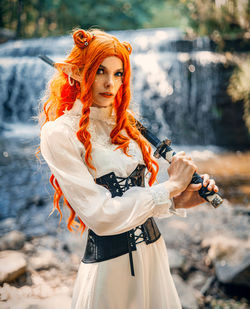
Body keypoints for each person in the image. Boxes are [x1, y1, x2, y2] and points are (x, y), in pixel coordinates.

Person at [39, 28, 218, 309]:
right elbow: (101, 217)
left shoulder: (126, 124)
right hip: (110, 272)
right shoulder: (59, 134)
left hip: (153, 260)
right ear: (77, 73)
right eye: (100, 71)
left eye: (118, 74)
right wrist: (170, 186)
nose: (110, 83)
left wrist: (178, 200)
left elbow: (137, 202)